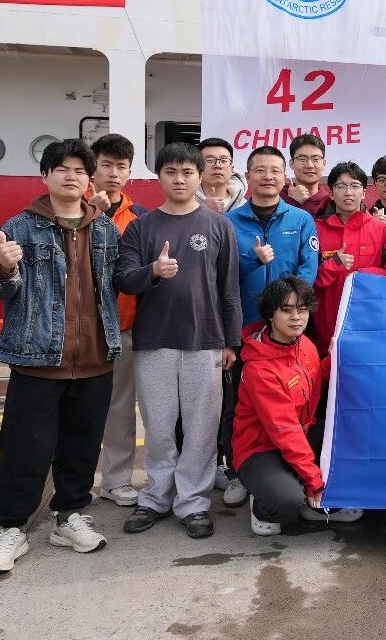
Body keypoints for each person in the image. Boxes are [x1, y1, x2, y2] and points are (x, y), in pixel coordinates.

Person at [0, 139, 121, 574]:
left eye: (80, 170)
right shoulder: (19, 226)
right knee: (24, 449)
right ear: (45, 176)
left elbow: (119, 284)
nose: (71, 177)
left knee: (81, 446)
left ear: (89, 179)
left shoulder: (105, 229)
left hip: (95, 357)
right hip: (37, 359)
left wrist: (153, 273)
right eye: (62, 169)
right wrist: (4, 266)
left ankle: (69, 516)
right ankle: (11, 528)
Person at [115, 142, 241, 540]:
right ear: (160, 176)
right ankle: (155, 497)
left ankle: (194, 502)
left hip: (206, 339)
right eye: (171, 172)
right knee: (158, 425)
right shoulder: (141, 227)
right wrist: (153, 270)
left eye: (188, 172)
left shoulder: (219, 225)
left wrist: (231, 341)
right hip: (154, 339)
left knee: (202, 427)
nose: (180, 179)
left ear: (199, 176)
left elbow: (229, 289)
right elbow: (124, 279)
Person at [220, 146, 320, 509]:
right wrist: (252, 260)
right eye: (260, 170)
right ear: (247, 176)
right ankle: (238, 471)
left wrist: (286, 307)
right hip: (243, 326)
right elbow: (221, 275)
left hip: (287, 327)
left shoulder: (301, 219)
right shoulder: (229, 222)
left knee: (288, 402)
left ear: (285, 177)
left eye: (275, 170)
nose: (268, 177)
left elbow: (308, 269)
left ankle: (279, 467)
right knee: (235, 403)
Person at [234, 277, 362, 534]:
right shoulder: (260, 369)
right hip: (261, 449)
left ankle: (312, 502)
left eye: (302, 310)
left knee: (354, 435)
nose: (296, 317)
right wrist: (313, 481)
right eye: (286, 310)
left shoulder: (305, 344)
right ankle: (264, 503)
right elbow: (284, 430)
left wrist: (337, 356)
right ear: (270, 314)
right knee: (286, 502)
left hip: (301, 435)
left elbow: (317, 380)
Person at [88, 134, 149, 509]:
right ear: (92, 168)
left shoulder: (140, 217)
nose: (113, 173)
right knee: (75, 410)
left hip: (125, 327)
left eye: (121, 167)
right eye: (106, 165)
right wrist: (91, 215)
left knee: (121, 408)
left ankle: (115, 481)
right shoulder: (72, 210)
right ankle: (75, 483)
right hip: (81, 330)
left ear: (129, 173)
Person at [312, 162, 386, 352]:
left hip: (369, 322)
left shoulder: (382, 230)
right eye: (341, 186)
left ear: (364, 192)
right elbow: (309, 280)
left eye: (354, 186)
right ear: (331, 193)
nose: (348, 192)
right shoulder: (316, 229)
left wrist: (361, 275)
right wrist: (335, 263)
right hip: (326, 324)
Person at [282, 133, 331, 217]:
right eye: (302, 159)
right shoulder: (277, 196)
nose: (310, 165)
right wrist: (292, 202)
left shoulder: (331, 201)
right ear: (291, 163)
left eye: (315, 159)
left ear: (324, 164)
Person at [197, 137, 248, 214]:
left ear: (232, 168)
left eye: (223, 160)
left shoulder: (244, 207)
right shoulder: (184, 202)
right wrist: (200, 212)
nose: (217, 165)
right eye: (210, 160)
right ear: (197, 167)